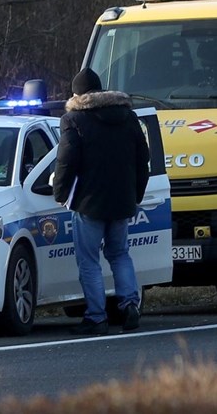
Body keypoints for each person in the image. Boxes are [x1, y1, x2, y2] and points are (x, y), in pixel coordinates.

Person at [53, 68, 150, 335]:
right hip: (122, 200)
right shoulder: (128, 117)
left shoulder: (73, 120)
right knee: (120, 254)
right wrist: (136, 194)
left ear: (77, 93)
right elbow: (143, 159)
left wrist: (60, 194)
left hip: (89, 202)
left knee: (89, 260)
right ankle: (130, 304)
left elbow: (66, 160)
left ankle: (96, 316)